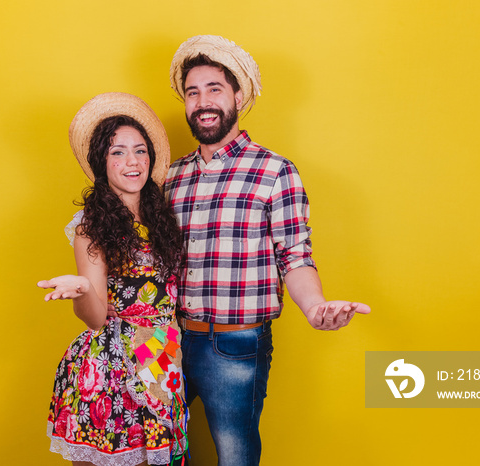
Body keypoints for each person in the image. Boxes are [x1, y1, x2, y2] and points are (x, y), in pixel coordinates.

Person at [164, 35, 372, 466]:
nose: (203, 101)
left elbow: (294, 255)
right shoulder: (170, 176)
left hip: (237, 344)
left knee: (236, 456)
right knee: (157, 450)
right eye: (193, 92)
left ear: (238, 96)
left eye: (215, 89)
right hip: (165, 341)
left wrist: (315, 306)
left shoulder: (275, 171)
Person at [38, 92, 188, 466]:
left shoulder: (162, 218)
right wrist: (84, 289)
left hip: (161, 356)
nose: (132, 161)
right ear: (101, 163)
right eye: (117, 152)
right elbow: (95, 317)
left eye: (139, 150)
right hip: (113, 365)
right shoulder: (91, 228)